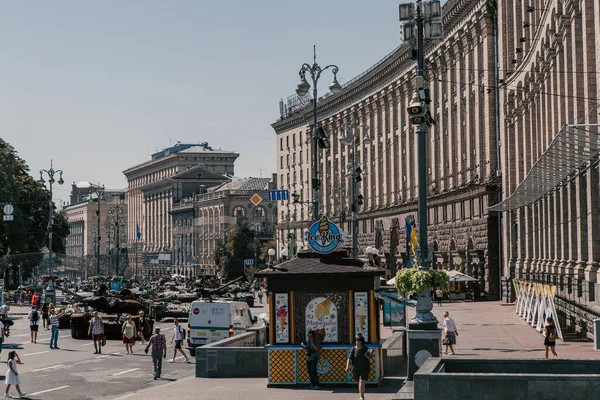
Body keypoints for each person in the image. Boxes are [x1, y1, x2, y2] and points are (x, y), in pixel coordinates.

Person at [346, 334, 373, 400]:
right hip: (356, 368)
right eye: (357, 341)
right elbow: (349, 359)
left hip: (365, 367)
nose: (357, 343)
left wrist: (367, 356)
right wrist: (347, 367)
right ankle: (361, 393)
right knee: (359, 381)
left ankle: (362, 396)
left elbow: (370, 358)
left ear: (362, 342)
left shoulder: (366, 349)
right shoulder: (353, 349)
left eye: (359, 341)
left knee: (361, 381)